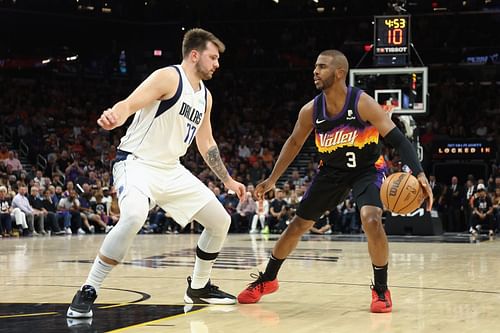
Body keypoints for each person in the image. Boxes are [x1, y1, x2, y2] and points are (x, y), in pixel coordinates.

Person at [67, 28, 246, 318]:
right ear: (195, 54)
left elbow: (206, 141)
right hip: (137, 163)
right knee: (135, 216)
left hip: (171, 169)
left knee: (220, 221)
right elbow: (130, 102)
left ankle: (198, 287)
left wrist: (227, 179)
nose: (217, 64)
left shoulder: (205, 97)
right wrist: (115, 115)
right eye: (213, 57)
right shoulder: (168, 77)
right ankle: (88, 288)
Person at [237, 50, 433, 313]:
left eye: (322, 67)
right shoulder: (311, 110)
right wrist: (272, 179)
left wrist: (419, 174)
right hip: (331, 172)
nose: (315, 71)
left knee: (371, 219)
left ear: (339, 72)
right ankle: (268, 279)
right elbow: (294, 143)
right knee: (297, 225)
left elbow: (398, 139)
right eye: (315, 67)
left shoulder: (362, 103)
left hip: (367, 171)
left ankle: (381, 289)